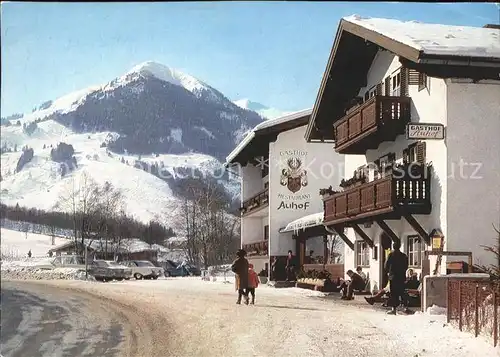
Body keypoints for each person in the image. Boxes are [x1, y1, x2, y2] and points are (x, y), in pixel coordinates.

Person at [384, 241, 408, 315]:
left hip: (393, 277)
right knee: (402, 292)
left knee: (394, 293)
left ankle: (393, 309)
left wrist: (389, 272)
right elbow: (406, 266)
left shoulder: (391, 255)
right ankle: (405, 307)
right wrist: (402, 272)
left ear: (393, 247)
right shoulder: (404, 255)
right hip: (401, 276)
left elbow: (386, 265)